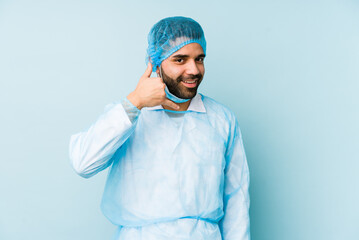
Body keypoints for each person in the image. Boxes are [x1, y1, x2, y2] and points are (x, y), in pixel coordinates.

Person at [69, 16, 250, 240]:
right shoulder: (129, 115)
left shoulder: (222, 120)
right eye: (180, 60)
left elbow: (236, 201)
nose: (194, 70)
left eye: (199, 59)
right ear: (156, 63)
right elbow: (82, 163)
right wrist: (135, 102)